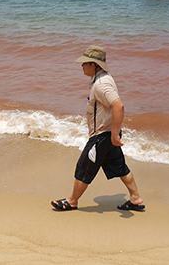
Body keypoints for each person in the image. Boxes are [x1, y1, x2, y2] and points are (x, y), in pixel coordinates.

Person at [51, 46, 145, 212]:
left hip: (102, 137)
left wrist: (114, 135)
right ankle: (136, 198)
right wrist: (114, 134)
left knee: (84, 167)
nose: (82, 66)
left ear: (94, 65)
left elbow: (118, 106)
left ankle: (72, 201)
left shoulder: (101, 84)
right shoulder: (103, 78)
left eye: (85, 63)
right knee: (120, 167)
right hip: (108, 134)